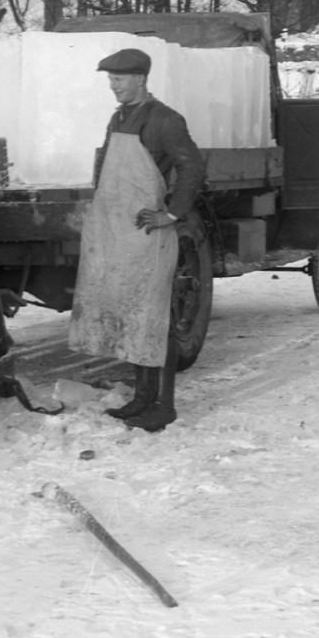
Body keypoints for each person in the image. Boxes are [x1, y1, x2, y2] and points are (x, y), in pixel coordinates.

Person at [88, 47, 205, 433]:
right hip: (122, 233)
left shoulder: (166, 120)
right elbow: (107, 170)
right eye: (110, 79)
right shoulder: (118, 118)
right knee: (133, 314)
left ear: (140, 78)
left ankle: (164, 405)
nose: (113, 86)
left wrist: (171, 214)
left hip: (152, 232)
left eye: (119, 79)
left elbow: (192, 167)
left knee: (157, 318)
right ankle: (141, 397)